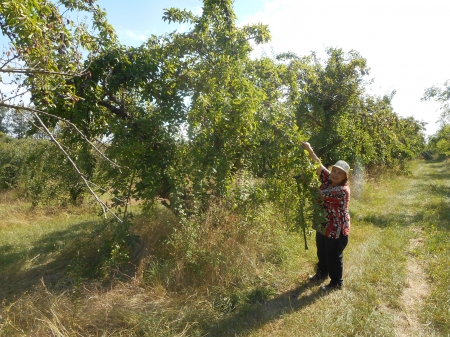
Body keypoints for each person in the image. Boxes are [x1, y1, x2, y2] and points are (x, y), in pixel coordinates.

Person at [301, 142, 351, 291]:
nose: (335, 174)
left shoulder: (342, 190)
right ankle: (322, 273)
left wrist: (305, 181)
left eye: (339, 173)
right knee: (321, 251)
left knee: (333, 256)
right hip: (323, 224)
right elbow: (318, 165)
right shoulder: (328, 179)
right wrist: (309, 149)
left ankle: (336, 283)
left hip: (336, 229)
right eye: (334, 171)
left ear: (344, 177)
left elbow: (321, 195)